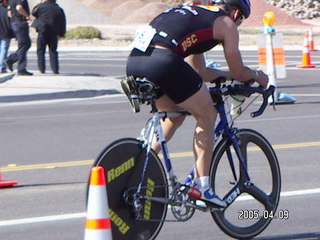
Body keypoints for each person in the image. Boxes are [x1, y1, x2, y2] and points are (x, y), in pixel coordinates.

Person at [126, 0, 269, 207]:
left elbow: (200, 73)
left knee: (175, 114)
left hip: (136, 61)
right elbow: (240, 72)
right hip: (163, 60)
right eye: (241, 20)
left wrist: (228, 75)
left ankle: (142, 164)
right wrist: (256, 75)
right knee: (207, 114)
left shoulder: (195, 15)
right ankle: (202, 187)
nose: (238, 25)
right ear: (237, 13)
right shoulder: (227, 23)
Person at [32, 0, 66, 74]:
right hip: (54, 32)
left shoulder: (41, 7)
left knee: (40, 50)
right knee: (53, 51)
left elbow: (34, 13)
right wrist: (61, 33)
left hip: (43, 31)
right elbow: (62, 21)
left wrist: (41, 3)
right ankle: (55, 69)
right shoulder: (59, 9)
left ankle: (42, 69)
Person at [5, 0, 32, 75]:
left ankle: (12, 59)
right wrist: (27, 16)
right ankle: (20, 67)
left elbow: (9, 12)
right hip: (20, 22)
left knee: (25, 44)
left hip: (15, 22)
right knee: (24, 44)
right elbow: (19, 7)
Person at [0, 0, 13, 73]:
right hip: (5, 33)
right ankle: (1, 67)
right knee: (3, 51)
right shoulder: (7, 11)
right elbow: (10, 22)